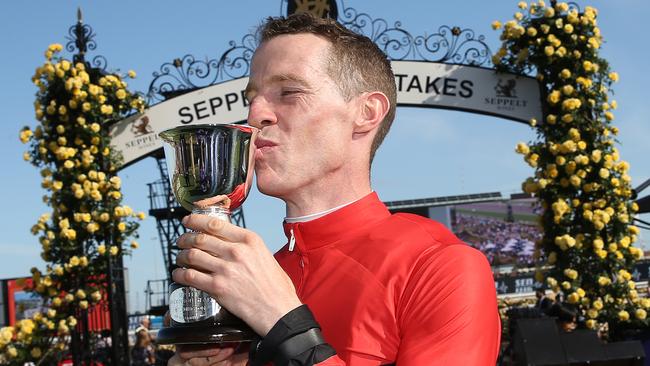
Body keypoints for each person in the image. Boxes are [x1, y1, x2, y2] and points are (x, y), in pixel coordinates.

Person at [168, 12, 500, 365]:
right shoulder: (259, 272)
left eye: (289, 92)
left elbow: (286, 324)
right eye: (252, 97)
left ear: (367, 113)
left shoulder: (438, 266)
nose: (255, 114)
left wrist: (286, 324)